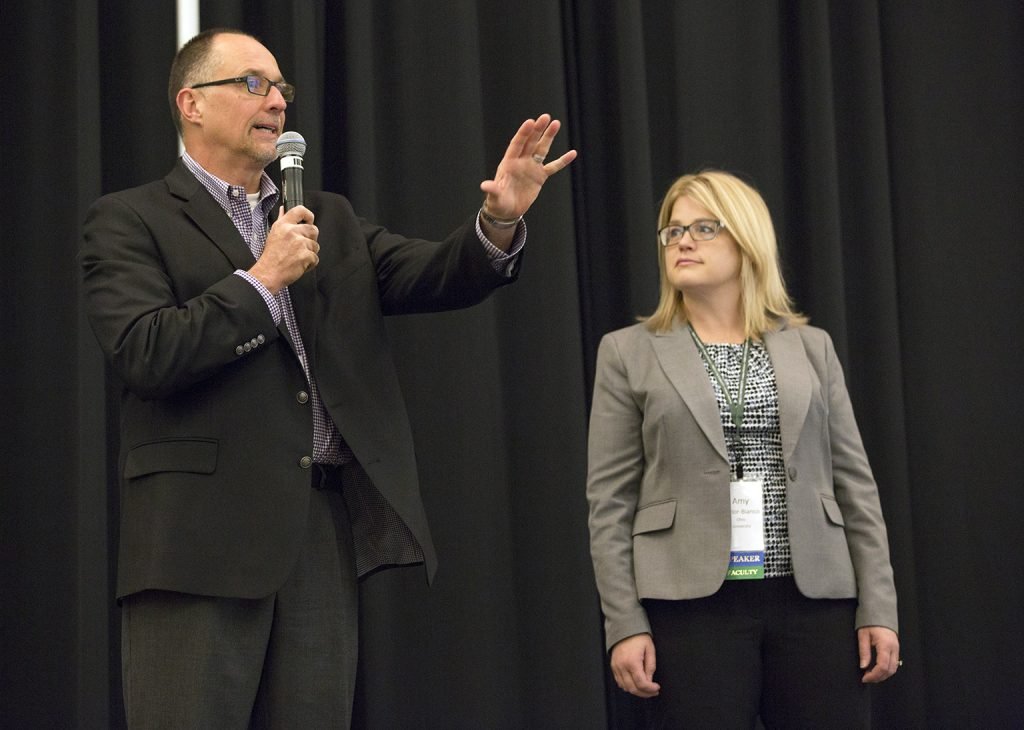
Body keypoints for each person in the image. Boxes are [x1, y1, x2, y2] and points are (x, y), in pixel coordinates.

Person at [79, 27, 575, 728]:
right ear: (191, 102)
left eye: (282, 88)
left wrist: (496, 223)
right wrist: (260, 281)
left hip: (318, 531)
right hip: (198, 541)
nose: (277, 101)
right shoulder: (130, 219)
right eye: (253, 83)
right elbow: (145, 350)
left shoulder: (326, 220)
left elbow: (434, 274)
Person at [586, 170, 899, 727]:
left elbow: (855, 485)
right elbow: (608, 503)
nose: (683, 241)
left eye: (704, 227)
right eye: (673, 230)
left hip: (815, 602)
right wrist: (624, 623)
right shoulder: (627, 352)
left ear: (747, 240)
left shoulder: (811, 346)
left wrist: (879, 607)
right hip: (692, 607)